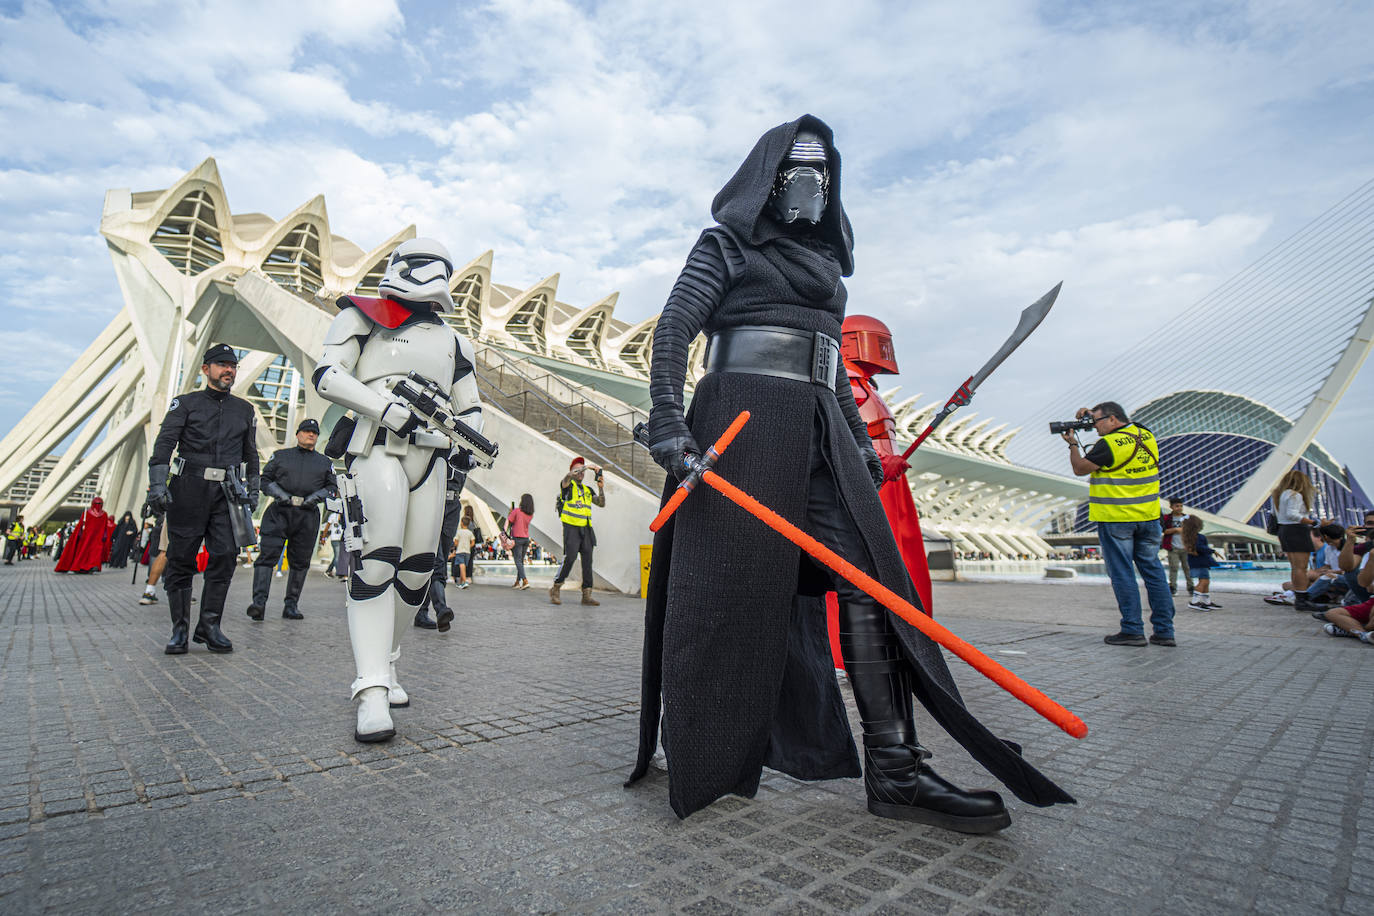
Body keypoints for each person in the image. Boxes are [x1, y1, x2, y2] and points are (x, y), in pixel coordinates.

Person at [632, 115, 1071, 831]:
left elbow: (828, 365)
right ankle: (704, 748)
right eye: (800, 171)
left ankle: (897, 770)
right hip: (738, 426)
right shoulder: (726, 244)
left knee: (871, 582)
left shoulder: (829, 273)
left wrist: (861, 449)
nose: (813, 185)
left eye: (825, 174)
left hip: (820, 431)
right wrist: (667, 420)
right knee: (727, 593)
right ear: (768, 178)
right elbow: (675, 329)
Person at [313, 237, 484, 743]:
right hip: (377, 445)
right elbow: (328, 375)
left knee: (414, 574)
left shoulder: (454, 341)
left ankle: (385, 664)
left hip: (430, 455)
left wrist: (466, 438)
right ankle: (369, 688)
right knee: (377, 561)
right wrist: (385, 407)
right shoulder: (361, 316)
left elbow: (468, 402)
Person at [145, 343, 261, 655]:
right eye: (222, 364)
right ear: (205, 369)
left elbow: (251, 455)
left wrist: (253, 490)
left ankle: (210, 627)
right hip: (188, 489)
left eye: (233, 365)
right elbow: (164, 446)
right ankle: (179, 630)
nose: (229, 370)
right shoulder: (184, 404)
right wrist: (157, 485)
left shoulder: (244, 410)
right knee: (181, 559)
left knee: (224, 556)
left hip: (227, 494)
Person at [1065, 401, 1176, 646]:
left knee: (1123, 574)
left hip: (1117, 520)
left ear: (1113, 419)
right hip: (1148, 518)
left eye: (1097, 422)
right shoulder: (1145, 434)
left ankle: (1133, 629)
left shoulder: (1110, 444)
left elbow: (1079, 468)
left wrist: (1073, 443)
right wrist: (1090, 413)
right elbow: (1132, 427)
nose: (1095, 428)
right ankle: (1165, 632)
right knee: (1154, 573)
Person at [247, 418, 335, 622]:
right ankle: (258, 603)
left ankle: (291, 605)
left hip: (307, 515)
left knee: (300, 563)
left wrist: (316, 497)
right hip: (279, 513)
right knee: (267, 559)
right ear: (298, 434)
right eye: (306, 431)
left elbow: (332, 487)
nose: (310, 435)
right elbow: (265, 480)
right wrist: (280, 495)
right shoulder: (280, 456)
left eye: (314, 432)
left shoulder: (324, 462)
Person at [414, 462, 465, 632]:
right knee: (437, 562)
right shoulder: (437, 441)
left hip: (453, 506)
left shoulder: (463, 450)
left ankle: (421, 612)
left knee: (438, 560)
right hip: (434, 502)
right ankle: (440, 609)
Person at [549, 457, 605, 606]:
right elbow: (567, 478)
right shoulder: (567, 486)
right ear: (572, 471)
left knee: (588, 562)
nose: (580, 473)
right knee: (570, 557)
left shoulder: (587, 490)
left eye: (582, 470)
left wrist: (600, 487)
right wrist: (586, 467)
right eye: (577, 470)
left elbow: (601, 503)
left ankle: (586, 595)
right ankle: (556, 588)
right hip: (571, 528)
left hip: (586, 529)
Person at [1271, 468, 1318, 609]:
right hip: (1296, 530)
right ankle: (1302, 600)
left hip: (1284, 530)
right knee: (1301, 568)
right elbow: (1293, 514)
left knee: (1295, 567)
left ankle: (1299, 597)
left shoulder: (1278, 495)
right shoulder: (1294, 495)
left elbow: (1277, 515)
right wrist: (1313, 522)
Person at [54, 497, 112, 574]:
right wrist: (79, 534)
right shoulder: (87, 513)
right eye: (97, 504)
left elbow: (104, 527)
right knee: (83, 552)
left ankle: (92, 566)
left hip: (97, 538)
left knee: (95, 552)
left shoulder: (103, 514)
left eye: (100, 504)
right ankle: (81, 566)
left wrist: (104, 535)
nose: (98, 506)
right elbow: (81, 525)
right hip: (86, 537)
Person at [1181, 516, 1221, 610]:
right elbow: (1201, 548)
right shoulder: (1199, 537)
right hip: (1201, 562)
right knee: (1204, 581)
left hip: (1195, 562)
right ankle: (1194, 601)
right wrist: (1212, 551)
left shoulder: (1188, 537)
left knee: (1205, 581)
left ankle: (1207, 602)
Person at [1160, 498, 1194, 596]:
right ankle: (1173, 588)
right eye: (1177, 506)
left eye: (1181, 506)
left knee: (1187, 568)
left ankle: (1191, 588)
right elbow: (1164, 531)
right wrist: (1176, 529)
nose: (1179, 508)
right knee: (1173, 568)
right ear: (1171, 507)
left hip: (1185, 547)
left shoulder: (1187, 518)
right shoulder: (1167, 518)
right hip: (1173, 547)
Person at [507, 493, 534, 589]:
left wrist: (511, 512)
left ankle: (525, 581)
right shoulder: (530, 514)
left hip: (517, 538)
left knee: (518, 561)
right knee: (520, 562)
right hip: (526, 539)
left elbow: (510, 521)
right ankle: (517, 582)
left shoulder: (517, 511)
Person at [451, 518, 474, 589]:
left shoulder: (459, 532)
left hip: (460, 551)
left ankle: (464, 581)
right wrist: (468, 546)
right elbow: (473, 543)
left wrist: (456, 546)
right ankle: (461, 583)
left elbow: (456, 542)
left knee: (461, 565)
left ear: (461, 523)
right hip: (467, 552)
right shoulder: (470, 533)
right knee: (463, 567)